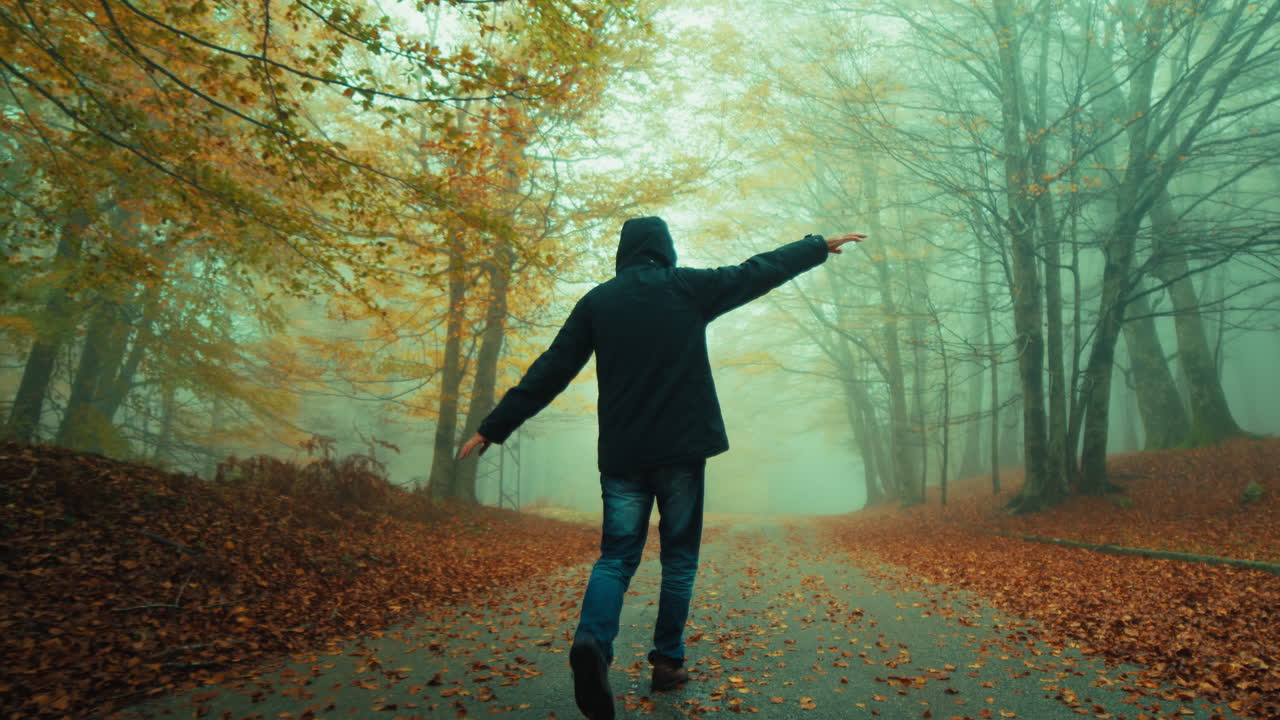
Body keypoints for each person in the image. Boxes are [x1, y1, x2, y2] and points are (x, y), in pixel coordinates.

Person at [458, 217, 865, 719]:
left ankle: (591, 642)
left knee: (616, 557)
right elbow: (757, 271)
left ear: (623, 253)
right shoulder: (688, 288)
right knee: (678, 560)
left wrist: (493, 427)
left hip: (624, 458)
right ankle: (667, 663)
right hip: (680, 455)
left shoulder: (598, 303)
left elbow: (551, 370)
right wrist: (815, 247)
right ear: (665, 249)